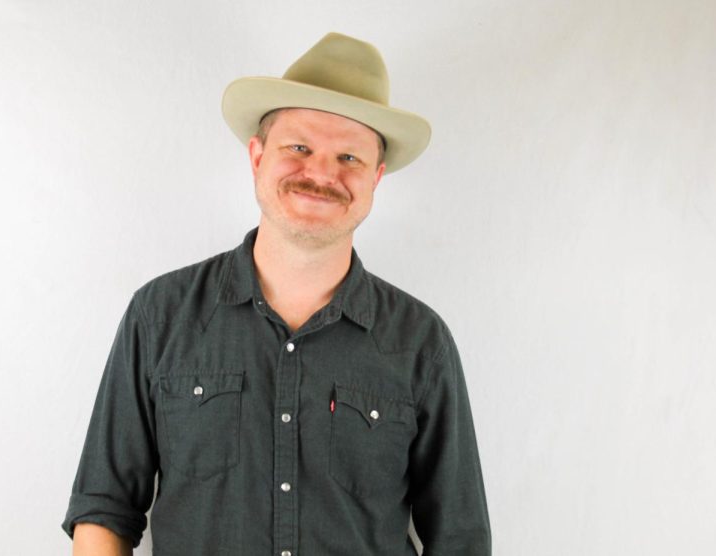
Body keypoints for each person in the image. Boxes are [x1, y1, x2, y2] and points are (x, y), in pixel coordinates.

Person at [61, 32, 491, 555]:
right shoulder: (160, 315)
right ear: (257, 156)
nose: (322, 174)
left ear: (376, 177)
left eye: (349, 158)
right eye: (300, 148)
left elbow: (460, 539)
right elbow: (104, 509)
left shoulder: (421, 341)